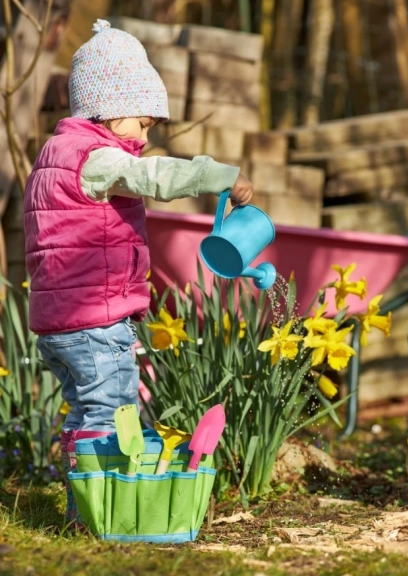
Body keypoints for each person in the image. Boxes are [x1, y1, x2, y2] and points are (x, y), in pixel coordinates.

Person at [23, 19, 253, 524]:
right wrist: (217, 177)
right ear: (108, 109)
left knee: (88, 414)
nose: (146, 137)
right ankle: (97, 514)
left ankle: (81, 506)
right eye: (144, 124)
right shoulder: (97, 158)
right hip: (94, 321)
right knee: (111, 415)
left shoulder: (52, 155)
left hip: (61, 322)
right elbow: (153, 176)